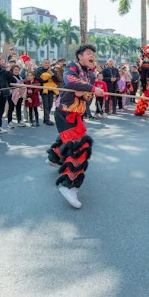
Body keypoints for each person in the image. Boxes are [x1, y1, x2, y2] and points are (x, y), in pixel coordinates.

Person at [46, 44, 104, 209]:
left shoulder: (91, 74)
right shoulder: (72, 66)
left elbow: (86, 97)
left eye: (93, 53)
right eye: (88, 53)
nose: (91, 55)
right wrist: (89, 89)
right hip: (64, 112)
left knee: (69, 140)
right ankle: (68, 185)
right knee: (80, 147)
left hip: (77, 114)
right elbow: (69, 81)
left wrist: (87, 92)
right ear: (80, 56)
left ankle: (54, 157)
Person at [35, 59, 57, 126]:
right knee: (46, 105)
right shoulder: (39, 70)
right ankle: (47, 120)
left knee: (50, 104)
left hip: (51, 89)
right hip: (43, 90)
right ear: (42, 63)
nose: (46, 64)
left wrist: (52, 74)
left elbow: (56, 79)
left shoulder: (51, 70)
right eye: (45, 63)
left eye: (48, 63)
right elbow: (38, 79)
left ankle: (46, 118)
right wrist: (47, 81)